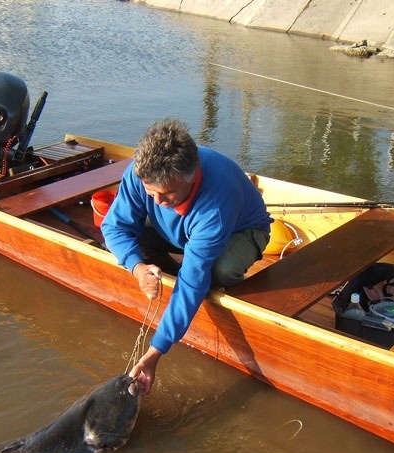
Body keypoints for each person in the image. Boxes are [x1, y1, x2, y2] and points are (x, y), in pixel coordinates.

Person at [101, 118, 272, 394]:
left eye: (166, 193)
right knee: (128, 244)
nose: (156, 201)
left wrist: (155, 353)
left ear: (190, 177)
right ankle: (173, 276)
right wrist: (138, 269)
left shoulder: (215, 205)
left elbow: (192, 282)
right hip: (181, 233)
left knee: (218, 271)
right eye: (150, 192)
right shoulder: (139, 174)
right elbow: (114, 226)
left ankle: (196, 279)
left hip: (242, 230)